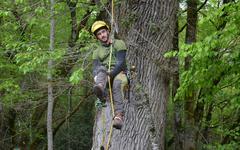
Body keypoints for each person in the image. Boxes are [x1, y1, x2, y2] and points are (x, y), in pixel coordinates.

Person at [91, 21, 128, 130]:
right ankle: (100, 90)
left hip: (119, 73)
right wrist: (96, 78)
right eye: (99, 34)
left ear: (108, 31)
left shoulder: (118, 44)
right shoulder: (96, 52)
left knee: (116, 84)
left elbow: (121, 63)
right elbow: (95, 69)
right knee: (101, 69)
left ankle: (119, 117)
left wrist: (110, 75)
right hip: (104, 77)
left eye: (103, 32)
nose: (102, 35)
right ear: (97, 37)